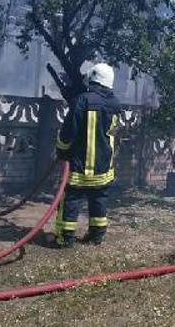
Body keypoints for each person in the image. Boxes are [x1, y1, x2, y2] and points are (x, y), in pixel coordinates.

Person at [54, 62, 122, 248]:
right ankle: (97, 236)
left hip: (79, 165)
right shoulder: (116, 105)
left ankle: (65, 238)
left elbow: (69, 131)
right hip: (103, 167)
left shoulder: (82, 100)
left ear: (93, 79)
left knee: (71, 200)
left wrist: (61, 150)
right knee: (99, 200)